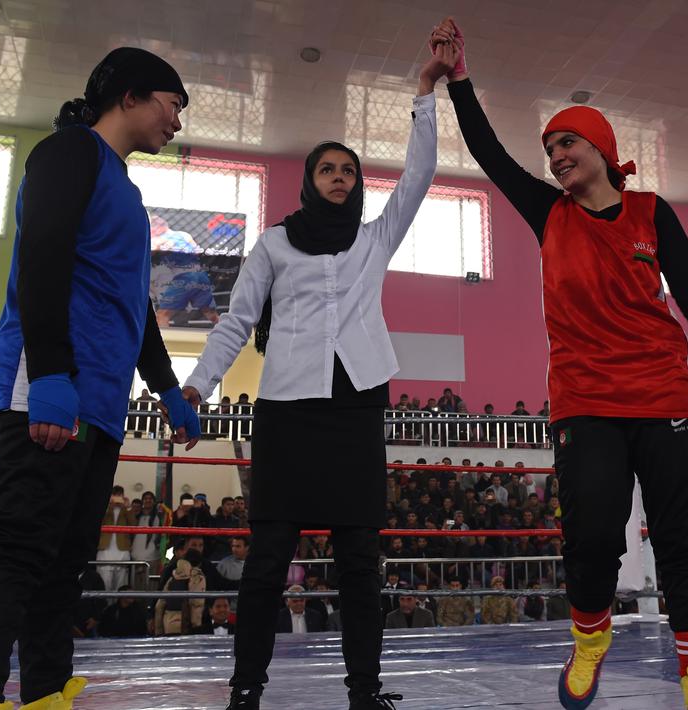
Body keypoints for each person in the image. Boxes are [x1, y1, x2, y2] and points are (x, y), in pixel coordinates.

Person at [435, 17, 688, 710]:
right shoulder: (549, 214)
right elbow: (488, 154)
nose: (554, 156)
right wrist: (460, 82)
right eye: (549, 148)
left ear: (602, 149)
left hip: (664, 395)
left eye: (566, 142)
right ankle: (589, 639)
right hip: (585, 402)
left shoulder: (648, 211)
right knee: (594, 539)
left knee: (678, 545)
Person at [180, 33, 454, 710]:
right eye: (328, 169)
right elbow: (236, 321)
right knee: (268, 564)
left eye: (348, 171)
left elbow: (417, 177)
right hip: (287, 413)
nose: (339, 178)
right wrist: (195, 384)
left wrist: (425, 95)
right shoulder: (273, 244)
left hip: (355, 409)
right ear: (309, 179)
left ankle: (364, 691)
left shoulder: (372, 239)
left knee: (361, 563)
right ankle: (246, 688)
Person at [0, 47, 201, 710]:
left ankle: (44, 694)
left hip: (102, 401)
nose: (177, 121)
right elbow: (42, 255)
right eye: (174, 104)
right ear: (133, 96)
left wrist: (167, 386)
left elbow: (130, 302)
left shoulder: (128, 191)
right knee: (17, 551)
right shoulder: (69, 152)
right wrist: (52, 371)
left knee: (63, 563)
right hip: (49, 385)